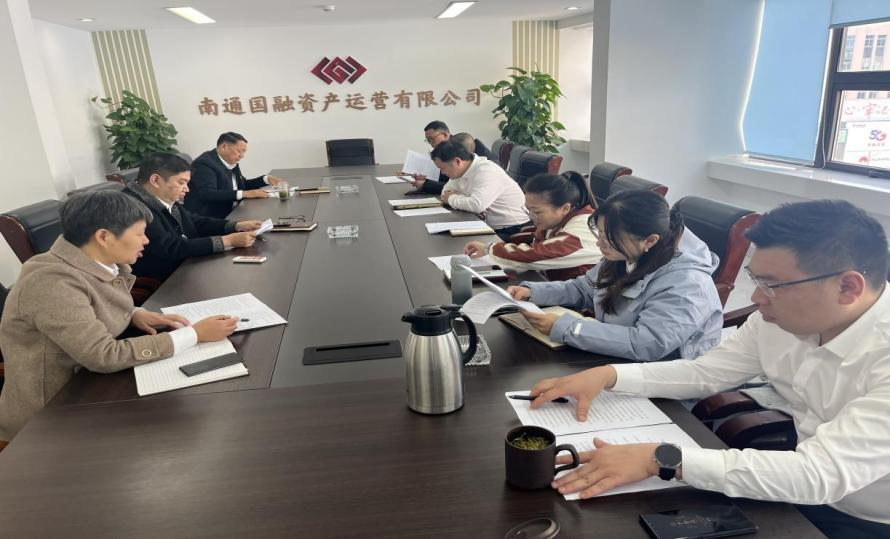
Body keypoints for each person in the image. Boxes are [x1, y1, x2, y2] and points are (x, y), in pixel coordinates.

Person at [525, 200, 890, 538]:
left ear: (847, 287)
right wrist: (610, 375)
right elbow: (706, 373)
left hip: (862, 517)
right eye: (755, 279)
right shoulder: (778, 321)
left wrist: (660, 458)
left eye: (771, 285)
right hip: (790, 484)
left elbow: (821, 474)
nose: (756, 298)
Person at [0, 191, 239, 445]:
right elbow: (103, 355)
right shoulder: (51, 282)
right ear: (103, 237)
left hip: (89, 386)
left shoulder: (91, 260)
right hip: (49, 419)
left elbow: (89, 303)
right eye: (139, 234)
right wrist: (193, 334)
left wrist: (134, 313)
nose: (146, 240)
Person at [507, 190, 722, 361]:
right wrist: (532, 292)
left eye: (608, 238)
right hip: (614, 356)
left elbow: (646, 343)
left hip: (661, 377)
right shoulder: (626, 253)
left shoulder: (688, 284)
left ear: (649, 240)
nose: (599, 243)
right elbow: (584, 288)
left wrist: (565, 328)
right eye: (600, 234)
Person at [123, 153, 264, 282]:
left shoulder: (158, 194)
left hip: (187, 264)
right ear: (155, 180)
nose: (187, 189)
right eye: (181, 182)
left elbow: (193, 220)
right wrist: (227, 241)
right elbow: (169, 247)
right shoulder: (131, 207)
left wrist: (235, 225)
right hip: (166, 280)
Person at [464, 172, 601, 280]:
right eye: (528, 209)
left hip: (580, 302)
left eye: (536, 212)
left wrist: (489, 248)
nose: (531, 216)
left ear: (564, 208)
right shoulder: (559, 220)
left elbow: (537, 254)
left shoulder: (584, 229)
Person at [432, 139, 531, 241]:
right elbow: (445, 193)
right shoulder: (461, 171)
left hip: (513, 230)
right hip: (487, 226)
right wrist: (461, 199)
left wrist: (452, 198)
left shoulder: (486, 171)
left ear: (457, 161)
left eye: (442, 168)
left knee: (462, 244)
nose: (442, 172)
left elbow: (476, 205)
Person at [185, 132, 284, 218]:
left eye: (244, 152)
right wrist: (244, 194)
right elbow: (207, 193)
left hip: (234, 210)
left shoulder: (229, 162)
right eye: (239, 151)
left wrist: (266, 179)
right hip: (213, 217)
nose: (242, 156)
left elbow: (242, 185)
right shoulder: (204, 163)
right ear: (224, 147)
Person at [404, 121, 498, 195]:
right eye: (428, 141)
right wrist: (426, 179)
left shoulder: (488, 166)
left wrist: (426, 185)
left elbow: (461, 189)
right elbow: (449, 180)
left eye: (432, 139)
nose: (431, 144)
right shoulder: (453, 146)